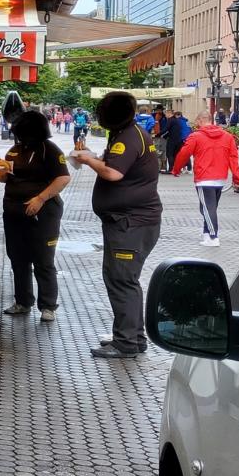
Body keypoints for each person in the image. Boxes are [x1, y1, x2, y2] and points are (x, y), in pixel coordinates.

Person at [71, 91, 162, 359]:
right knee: (123, 279)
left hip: (130, 224)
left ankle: (126, 343)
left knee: (122, 280)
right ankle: (133, 336)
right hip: (129, 222)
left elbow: (113, 173)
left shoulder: (128, 138)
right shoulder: (128, 134)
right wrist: (93, 157)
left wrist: (87, 160)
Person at [0, 111, 71, 322]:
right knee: (17, 258)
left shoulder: (50, 150)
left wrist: (40, 198)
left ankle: (48, 306)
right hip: (14, 212)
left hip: (43, 214)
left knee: (43, 260)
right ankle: (23, 301)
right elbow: (2, 178)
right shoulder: (15, 150)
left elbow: (63, 178)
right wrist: (3, 172)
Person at [171, 111, 239, 247]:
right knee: (210, 207)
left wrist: (176, 169)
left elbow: (184, 153)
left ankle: (213, 237)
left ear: (200, 120)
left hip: (204, 177)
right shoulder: (227, 136)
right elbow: (233, 158)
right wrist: (237, 178)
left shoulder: (196, 136)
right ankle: (206, 234)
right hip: (220, 177)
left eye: (196, 122)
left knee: (207, 208)